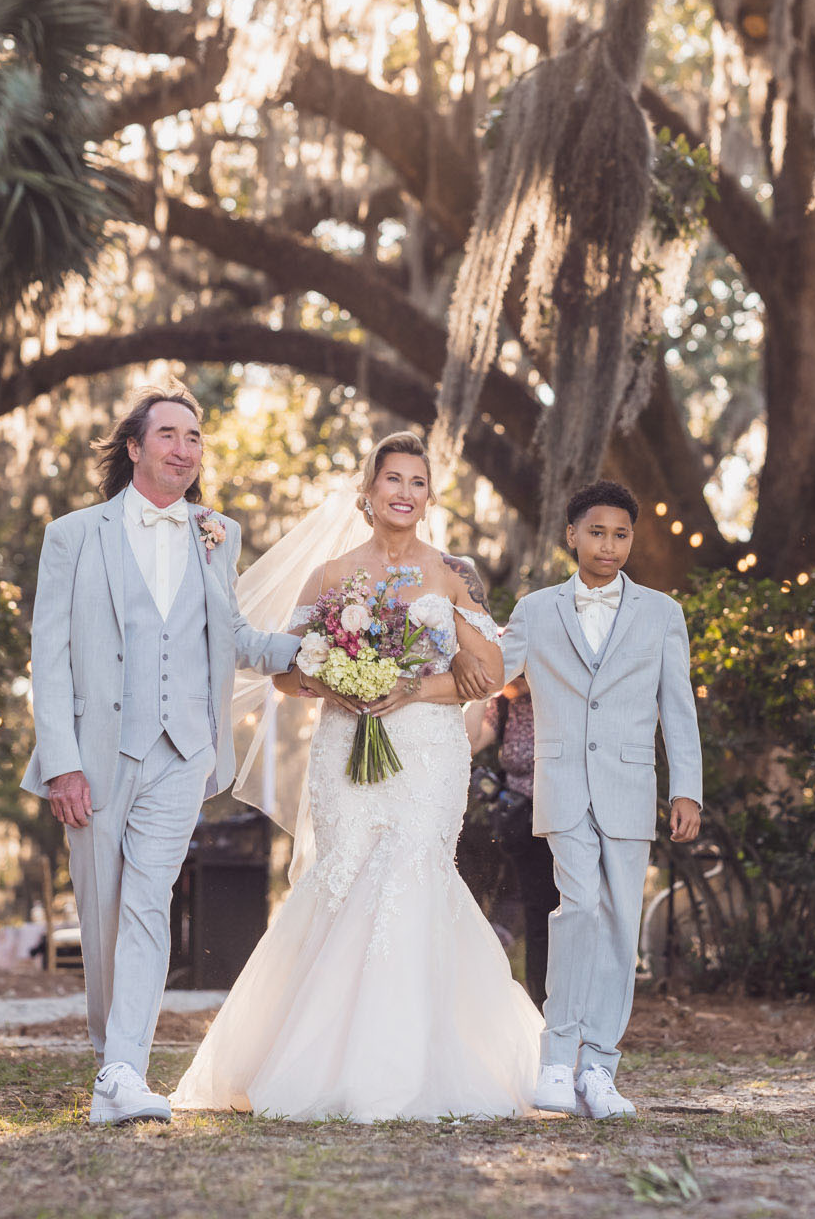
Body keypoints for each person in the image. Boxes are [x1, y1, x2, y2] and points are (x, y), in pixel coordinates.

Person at [171, 431, 542, 1121]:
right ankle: (308, 1060)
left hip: (427, 750)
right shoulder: (330, 575)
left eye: (417, 482)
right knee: (345, 873)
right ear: (368, 492)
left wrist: (412, 690)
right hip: (347, 743)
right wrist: (338, 682)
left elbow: (488, 674)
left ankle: (408, 1066)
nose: (404, 492)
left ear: (429, 498)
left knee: (410, 870)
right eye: (392, 479)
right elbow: (285, 672)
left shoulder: (449, 573)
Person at [20, 385, 303, 1126]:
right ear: (136, 447)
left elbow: (232, 635)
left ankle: (123, 1071)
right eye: (170, 435)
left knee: (148, 905)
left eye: (195, 437)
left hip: (185, 751)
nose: (185, 448)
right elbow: (48, 655)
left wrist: (315, 648)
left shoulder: (218, 533)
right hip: (96, 755)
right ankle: (111, 1059)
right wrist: (61, 763)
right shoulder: (74, 535)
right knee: (103, 912)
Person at [499, 480, 705, 1121]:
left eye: (620, 534)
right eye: (596, 532)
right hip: (561, 787)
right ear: (571, 535)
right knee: (578, 907)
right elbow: (491, 674)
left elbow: (678, 706)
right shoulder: (535, 611)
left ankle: (600, 1070)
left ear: (631, 540)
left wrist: (687, 789)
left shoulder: (662, 614)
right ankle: (557, 1059)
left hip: (630, 786)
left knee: (619, 925)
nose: (608, 545)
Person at [469, 676, 557, 1005]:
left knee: (575, 913)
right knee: (539, 916)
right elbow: (470, 739)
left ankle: (577, 1005)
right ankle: (543, 1005)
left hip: (568, 818)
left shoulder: (558, 694)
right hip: (526, 823)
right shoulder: (505, 704)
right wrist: (485, 686)